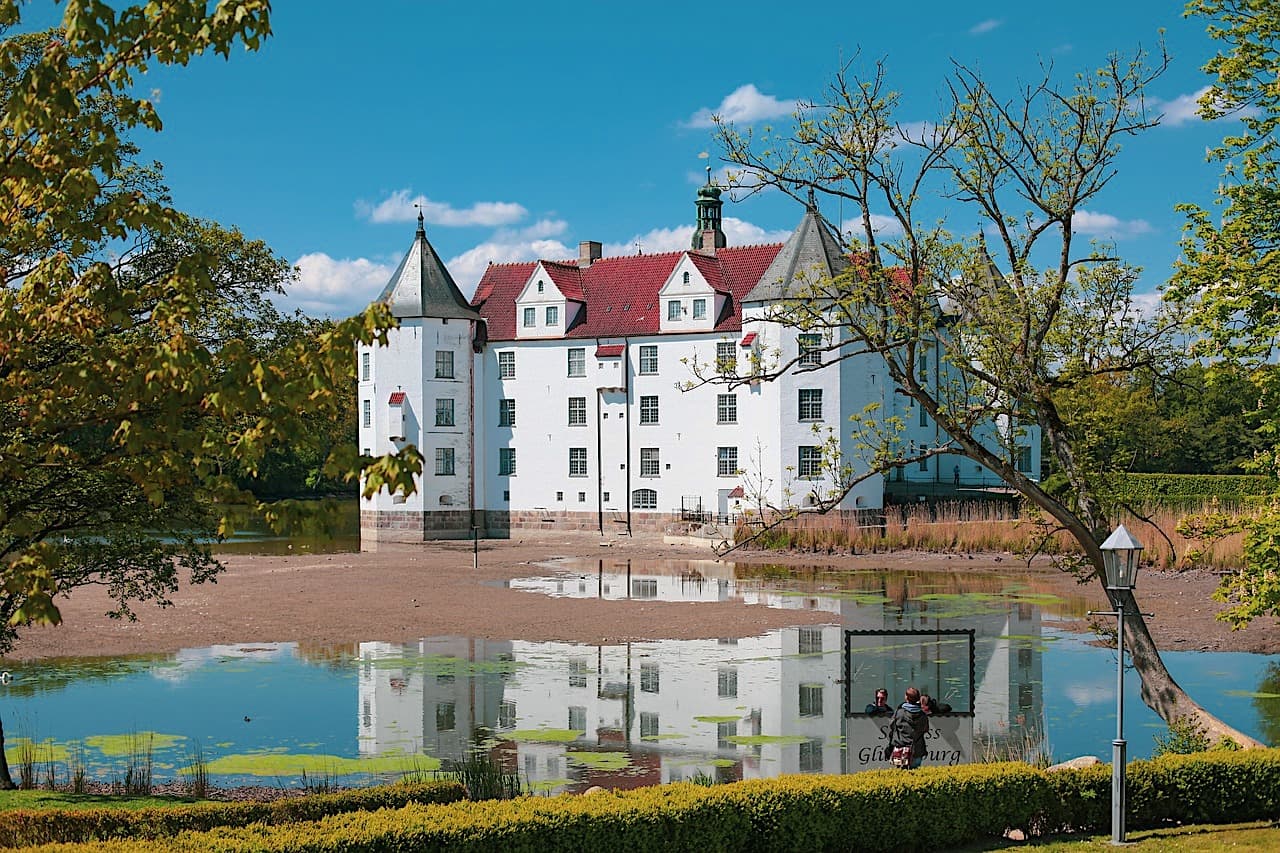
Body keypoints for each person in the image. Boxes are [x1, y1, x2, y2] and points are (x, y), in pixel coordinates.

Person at [889, 686, 929, 769]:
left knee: (900, 776)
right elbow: (925, 729)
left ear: (906, 697)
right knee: (915, 776)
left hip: (901, 749)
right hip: (917, 749)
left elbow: (892, 725)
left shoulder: (899, 713)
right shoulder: (923, 715)